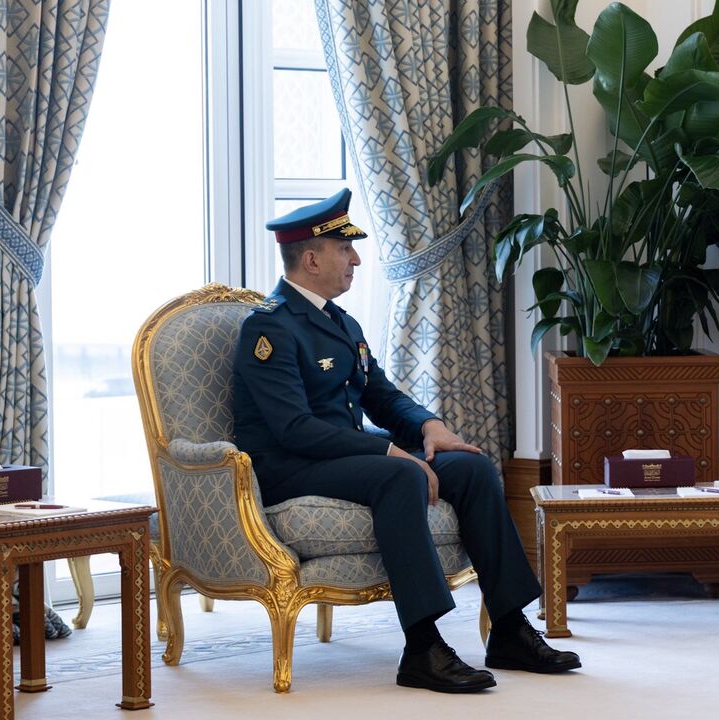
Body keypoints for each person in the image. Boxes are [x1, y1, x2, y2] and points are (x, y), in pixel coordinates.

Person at [232, 189, 580, 693]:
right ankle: (423, 647)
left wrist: (426, 427)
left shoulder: (340, 321)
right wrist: (386, 450)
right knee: (399, 473)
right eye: (344, 250)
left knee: (472, 468)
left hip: (344, 457)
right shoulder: (269, 327)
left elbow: (382, 396)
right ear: (311, 258)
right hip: (290, 465)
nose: (355, 259)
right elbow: (293, 429)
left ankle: (508, 628)